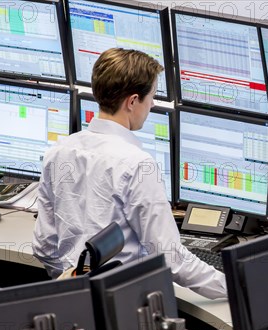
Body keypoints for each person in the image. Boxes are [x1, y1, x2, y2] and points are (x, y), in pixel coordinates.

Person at [33, 48, 226, 299]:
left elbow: (44, 246)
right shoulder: (138, 164)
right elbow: (172, 259)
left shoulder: (58, 151)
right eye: (152, 97)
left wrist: (75, 286)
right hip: (125, 306)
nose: (153, 104)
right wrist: (236, 285)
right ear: (133, 101)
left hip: (72, 302)